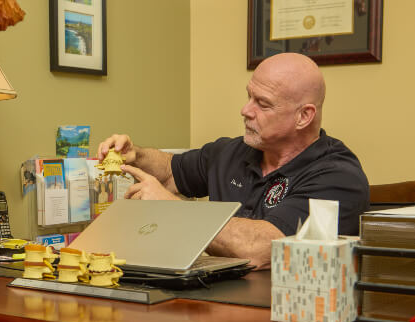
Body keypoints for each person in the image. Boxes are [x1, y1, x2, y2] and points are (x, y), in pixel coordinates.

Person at [97, 53, 369, 270]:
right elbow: (170, 172)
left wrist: (172, 210)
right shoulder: (231, 152)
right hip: (213, 307)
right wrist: (136, 154)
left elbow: (261, 250)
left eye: (262, 103)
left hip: (289, 318)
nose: (245, 110)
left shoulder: (338, 176)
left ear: (304, 116)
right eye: (249, 96)